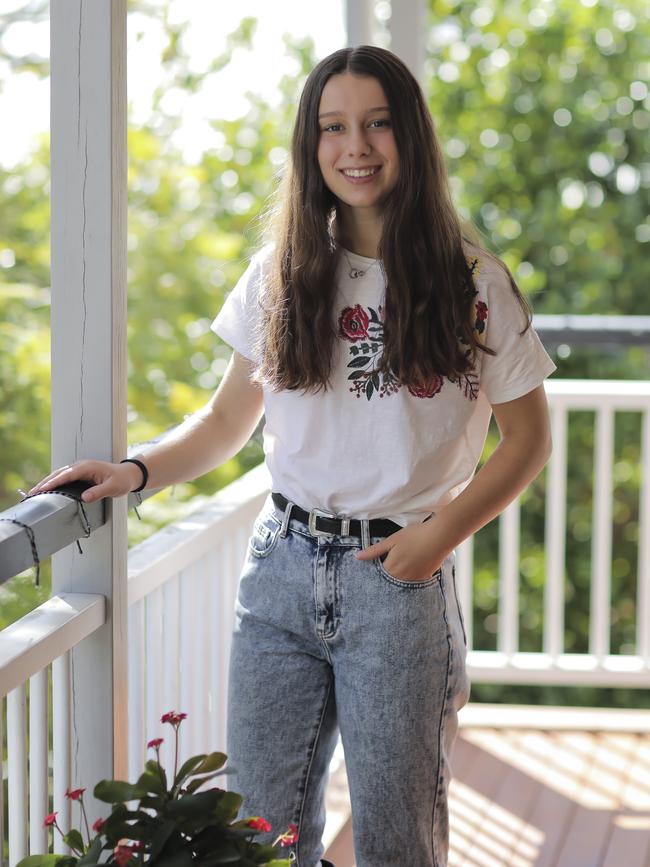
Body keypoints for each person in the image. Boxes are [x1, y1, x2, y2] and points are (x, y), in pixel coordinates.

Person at [30, 45, 556, 867]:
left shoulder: (471, 282)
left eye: (378, 124)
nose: (357, 146)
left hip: (399, 577)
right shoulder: (283, 273)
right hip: (279, 573)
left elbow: (528, 441)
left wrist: (437, 538)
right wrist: (133, 471)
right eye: (334, 127)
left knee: (396, 843)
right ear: (310, 148)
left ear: (409, 136)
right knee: (260, 837)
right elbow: (222, 423)